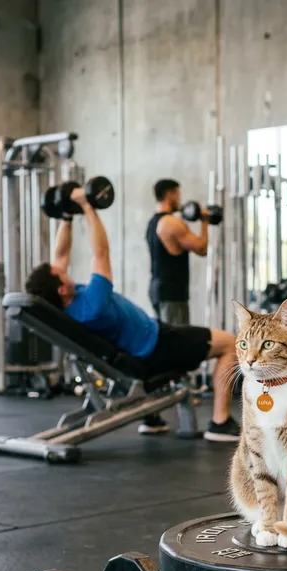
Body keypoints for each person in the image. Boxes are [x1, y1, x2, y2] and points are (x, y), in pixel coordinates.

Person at [25, 186, 240, 442]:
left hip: (148, 341)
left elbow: (60, 254)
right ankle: (220, 422)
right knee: (230, 344)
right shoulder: (93, 305)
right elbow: (101, 252)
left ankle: (151, 417)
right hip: (157, 347)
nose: (63, 267)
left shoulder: (65, 305)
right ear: (61, 288)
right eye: (59, 272)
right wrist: (87, 206)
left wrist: (68, 216)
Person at [146, 178, 208, 326]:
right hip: (172, 294)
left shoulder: (152, 223)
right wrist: (205, 220)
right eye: (178, 195)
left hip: (157, 290)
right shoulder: (171, 223)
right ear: (170, 195)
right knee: (178, 340)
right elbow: (201, 248)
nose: (179, 200)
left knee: (166, 338)